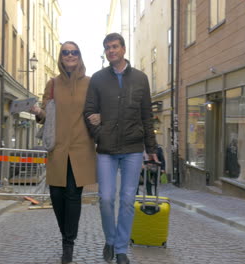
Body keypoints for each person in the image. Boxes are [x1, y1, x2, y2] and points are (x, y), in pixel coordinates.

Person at [84, 33, 158, 264]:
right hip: (106, 149)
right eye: (107, 48)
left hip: (133, 148)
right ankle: (110, 239)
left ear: (123, 49)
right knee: (106, 198)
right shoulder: (97, 79)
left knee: (127, 199)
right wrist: (99, 134)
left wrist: (151, 147)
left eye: (115, 47)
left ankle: (121, 248)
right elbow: (88, 112)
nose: (111, 51)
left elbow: (147, 115)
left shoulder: (140, 78)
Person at [30, 41, 96, 264]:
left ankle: (68, 245)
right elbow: (45, 114)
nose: (70, 55)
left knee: (72, 195)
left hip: (80, 147)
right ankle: (66, 236)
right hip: (57, 149)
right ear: (61, 57)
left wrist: (101, 118)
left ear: (79, 55)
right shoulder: (52, 84)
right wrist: (38, 112)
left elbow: (100, 109)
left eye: (74, 52)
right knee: (57, 196)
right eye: (66, 52)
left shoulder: (90, 83)